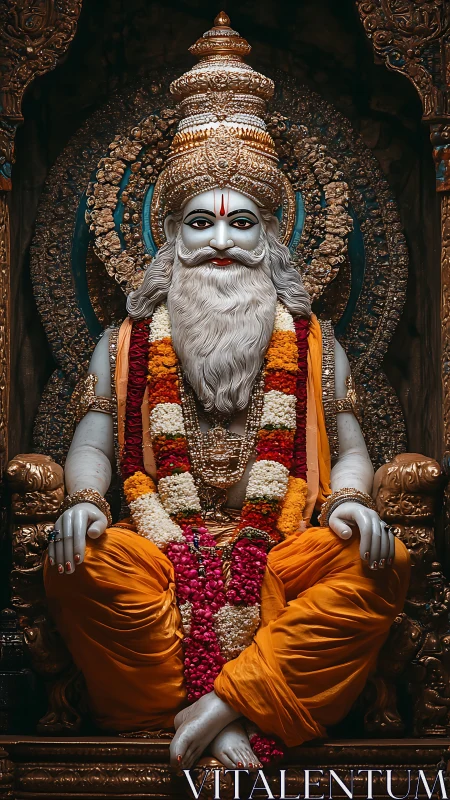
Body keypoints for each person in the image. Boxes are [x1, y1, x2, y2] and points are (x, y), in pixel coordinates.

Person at [44, 12, 410, 771]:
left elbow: (349, 451)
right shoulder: (127, 344)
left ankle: (219, 705)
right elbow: (91, 442)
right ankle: (228, 705)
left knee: (380, 564)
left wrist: (349, 501)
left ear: (274, 240)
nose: (219, 241)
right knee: (82, 567)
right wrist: (84, 499)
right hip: (158, 550)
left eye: (241, 223)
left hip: (282, 549)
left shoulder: (313, 343)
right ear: (166, 237)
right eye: (199, 222)